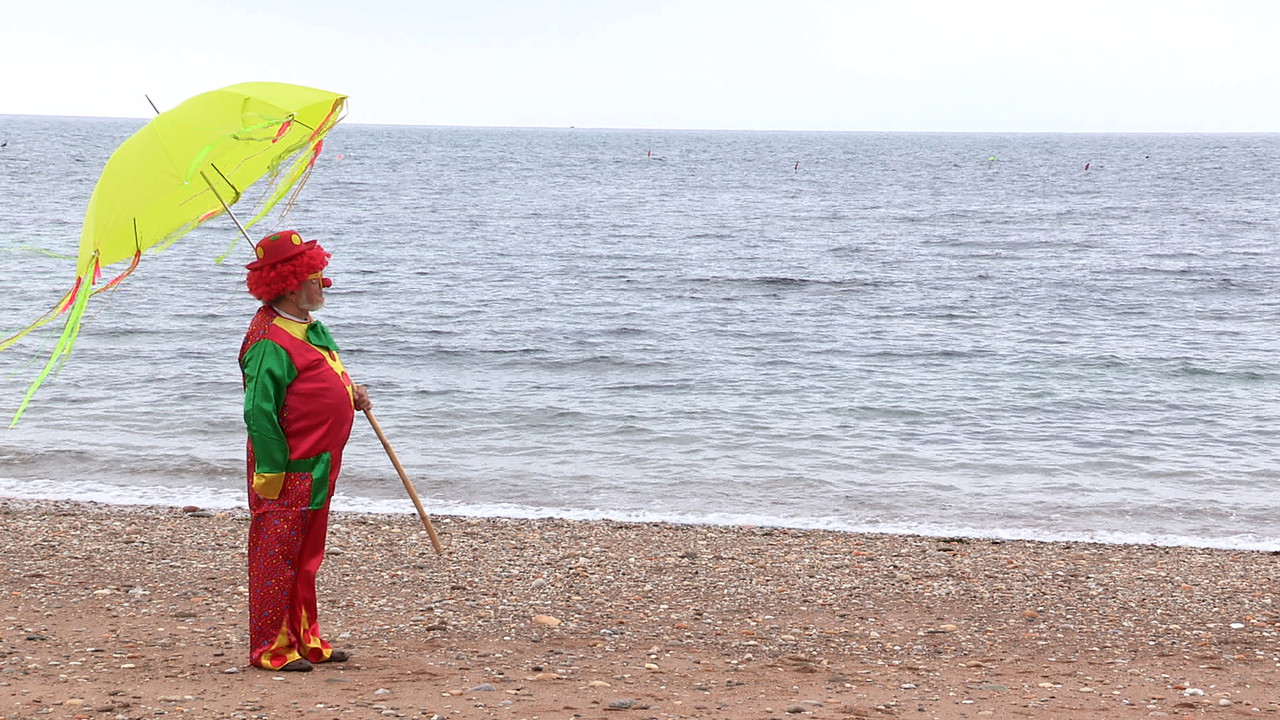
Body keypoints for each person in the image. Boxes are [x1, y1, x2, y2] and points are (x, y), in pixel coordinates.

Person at [239, 229, 372, 672]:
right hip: (289, 469)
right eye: (314, 277)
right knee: (276, 558)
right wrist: (271, 474)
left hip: (320, 463)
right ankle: (271, 649)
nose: (323, 283)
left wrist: (351, 391)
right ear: (291, 285)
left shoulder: (309, 326)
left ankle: (305, 638)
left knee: (307, 557)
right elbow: (259, 411)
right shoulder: (267, 340)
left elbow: (324, 373)